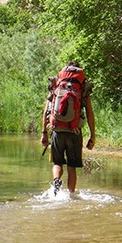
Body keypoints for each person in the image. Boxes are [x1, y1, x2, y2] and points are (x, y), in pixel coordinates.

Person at [41, 61, 96, 195]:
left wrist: (44, 133)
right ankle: (71, 195)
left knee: (57, 163)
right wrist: (92, 136)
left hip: (57, 130)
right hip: (74, 132)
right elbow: (89, 113)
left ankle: (56, 181)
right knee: (72, 167)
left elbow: (46, 110)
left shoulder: (57, 86)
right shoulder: (82, 89)